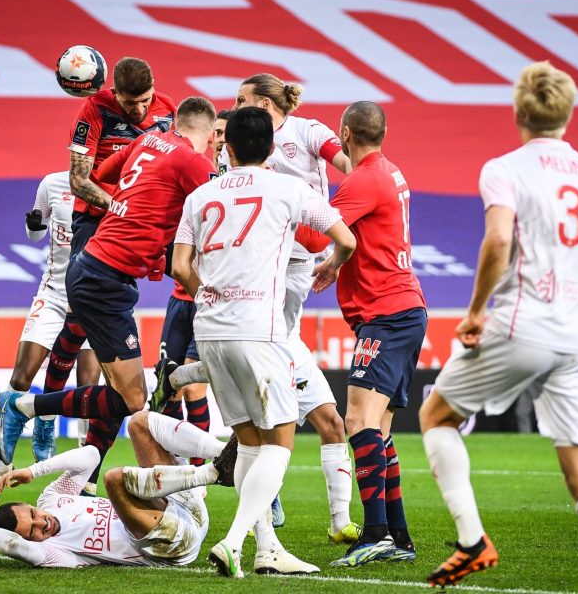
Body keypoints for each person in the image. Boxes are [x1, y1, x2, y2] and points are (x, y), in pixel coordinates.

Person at [418, 61, 578, 592]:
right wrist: (569, 277)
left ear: (518, 111)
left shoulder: (505, 168)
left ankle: (472, 541)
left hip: (521, 323)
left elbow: (498, 241)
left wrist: (475, 310)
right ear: (568, 112)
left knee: (436, 414)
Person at [171, 106, 357, 578]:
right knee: (280, 439)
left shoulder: (200, 196)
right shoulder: (289, 188)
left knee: (249, 442)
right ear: (272, 147)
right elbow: (346, 238)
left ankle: (266, 550)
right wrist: (333, 263)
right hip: (260, 330)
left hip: (210, 330)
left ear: (225, 147)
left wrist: (209, 295)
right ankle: (233, 541)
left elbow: (179, 266)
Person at [0, 97, 217, 475]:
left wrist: (135, 212)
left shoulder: (147, 142)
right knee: (133, 398)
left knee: (123, 395)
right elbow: (217, 215)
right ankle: (22, 408)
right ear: (210, 134)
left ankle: (81, 480)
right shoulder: (194, 161)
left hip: (92, 266)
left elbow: (98, 178)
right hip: (104, 280)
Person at [292, 102, 427, 568]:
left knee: (359, 422)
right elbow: (358, 237)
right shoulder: (389, 172)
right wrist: (337, 262)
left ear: (346, 134)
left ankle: (374, 534)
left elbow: (317, 233)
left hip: (387, 314)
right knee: (380, 431)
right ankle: (398, 537)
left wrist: (279, 208)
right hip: (404, 309)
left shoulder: (361, 181)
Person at [42, 57, 178, 494]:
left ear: (153, 88)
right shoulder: (94, 111)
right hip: (97, 223)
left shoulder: (167, 111)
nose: (138, 111)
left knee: (120, 377)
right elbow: (79, 181)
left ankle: (77, 473)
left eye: (143, 101)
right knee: (85, 320)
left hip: (134, 232)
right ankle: (42, 419)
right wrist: (119, 206)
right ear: (114, 93)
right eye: (129, 102)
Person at [0, 171, 101, 508]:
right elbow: (35, 235)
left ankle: (82, 484)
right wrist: (33, 224)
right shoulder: (52, 184)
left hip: (94, 298)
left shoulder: (113, 183)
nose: (83, 159)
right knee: (19, 378)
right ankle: (0, 466)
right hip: (54, 294)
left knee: (89, 392)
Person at [0, 409, 233, 568]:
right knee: (113, 480)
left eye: (32, 515)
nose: (40, 523)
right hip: (173, 544)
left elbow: (90, 455)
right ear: (29, 540)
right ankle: (211, 473)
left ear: (30, 505)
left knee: (139, 423)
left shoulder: (51, 499)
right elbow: (13, 547)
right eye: (31, 532)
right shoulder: (54, 552)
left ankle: (224, 453)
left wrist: (34, 471)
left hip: (187, 509)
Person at [155, 110, 234, 466]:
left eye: (223, 133)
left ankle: (201, 475)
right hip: (180, 300)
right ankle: (179, 473)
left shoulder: (240, 184)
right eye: (214, 131)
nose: (217, 138)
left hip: (210, 301)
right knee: (167, 390)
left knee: (193, 386)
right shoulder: (192, 172)